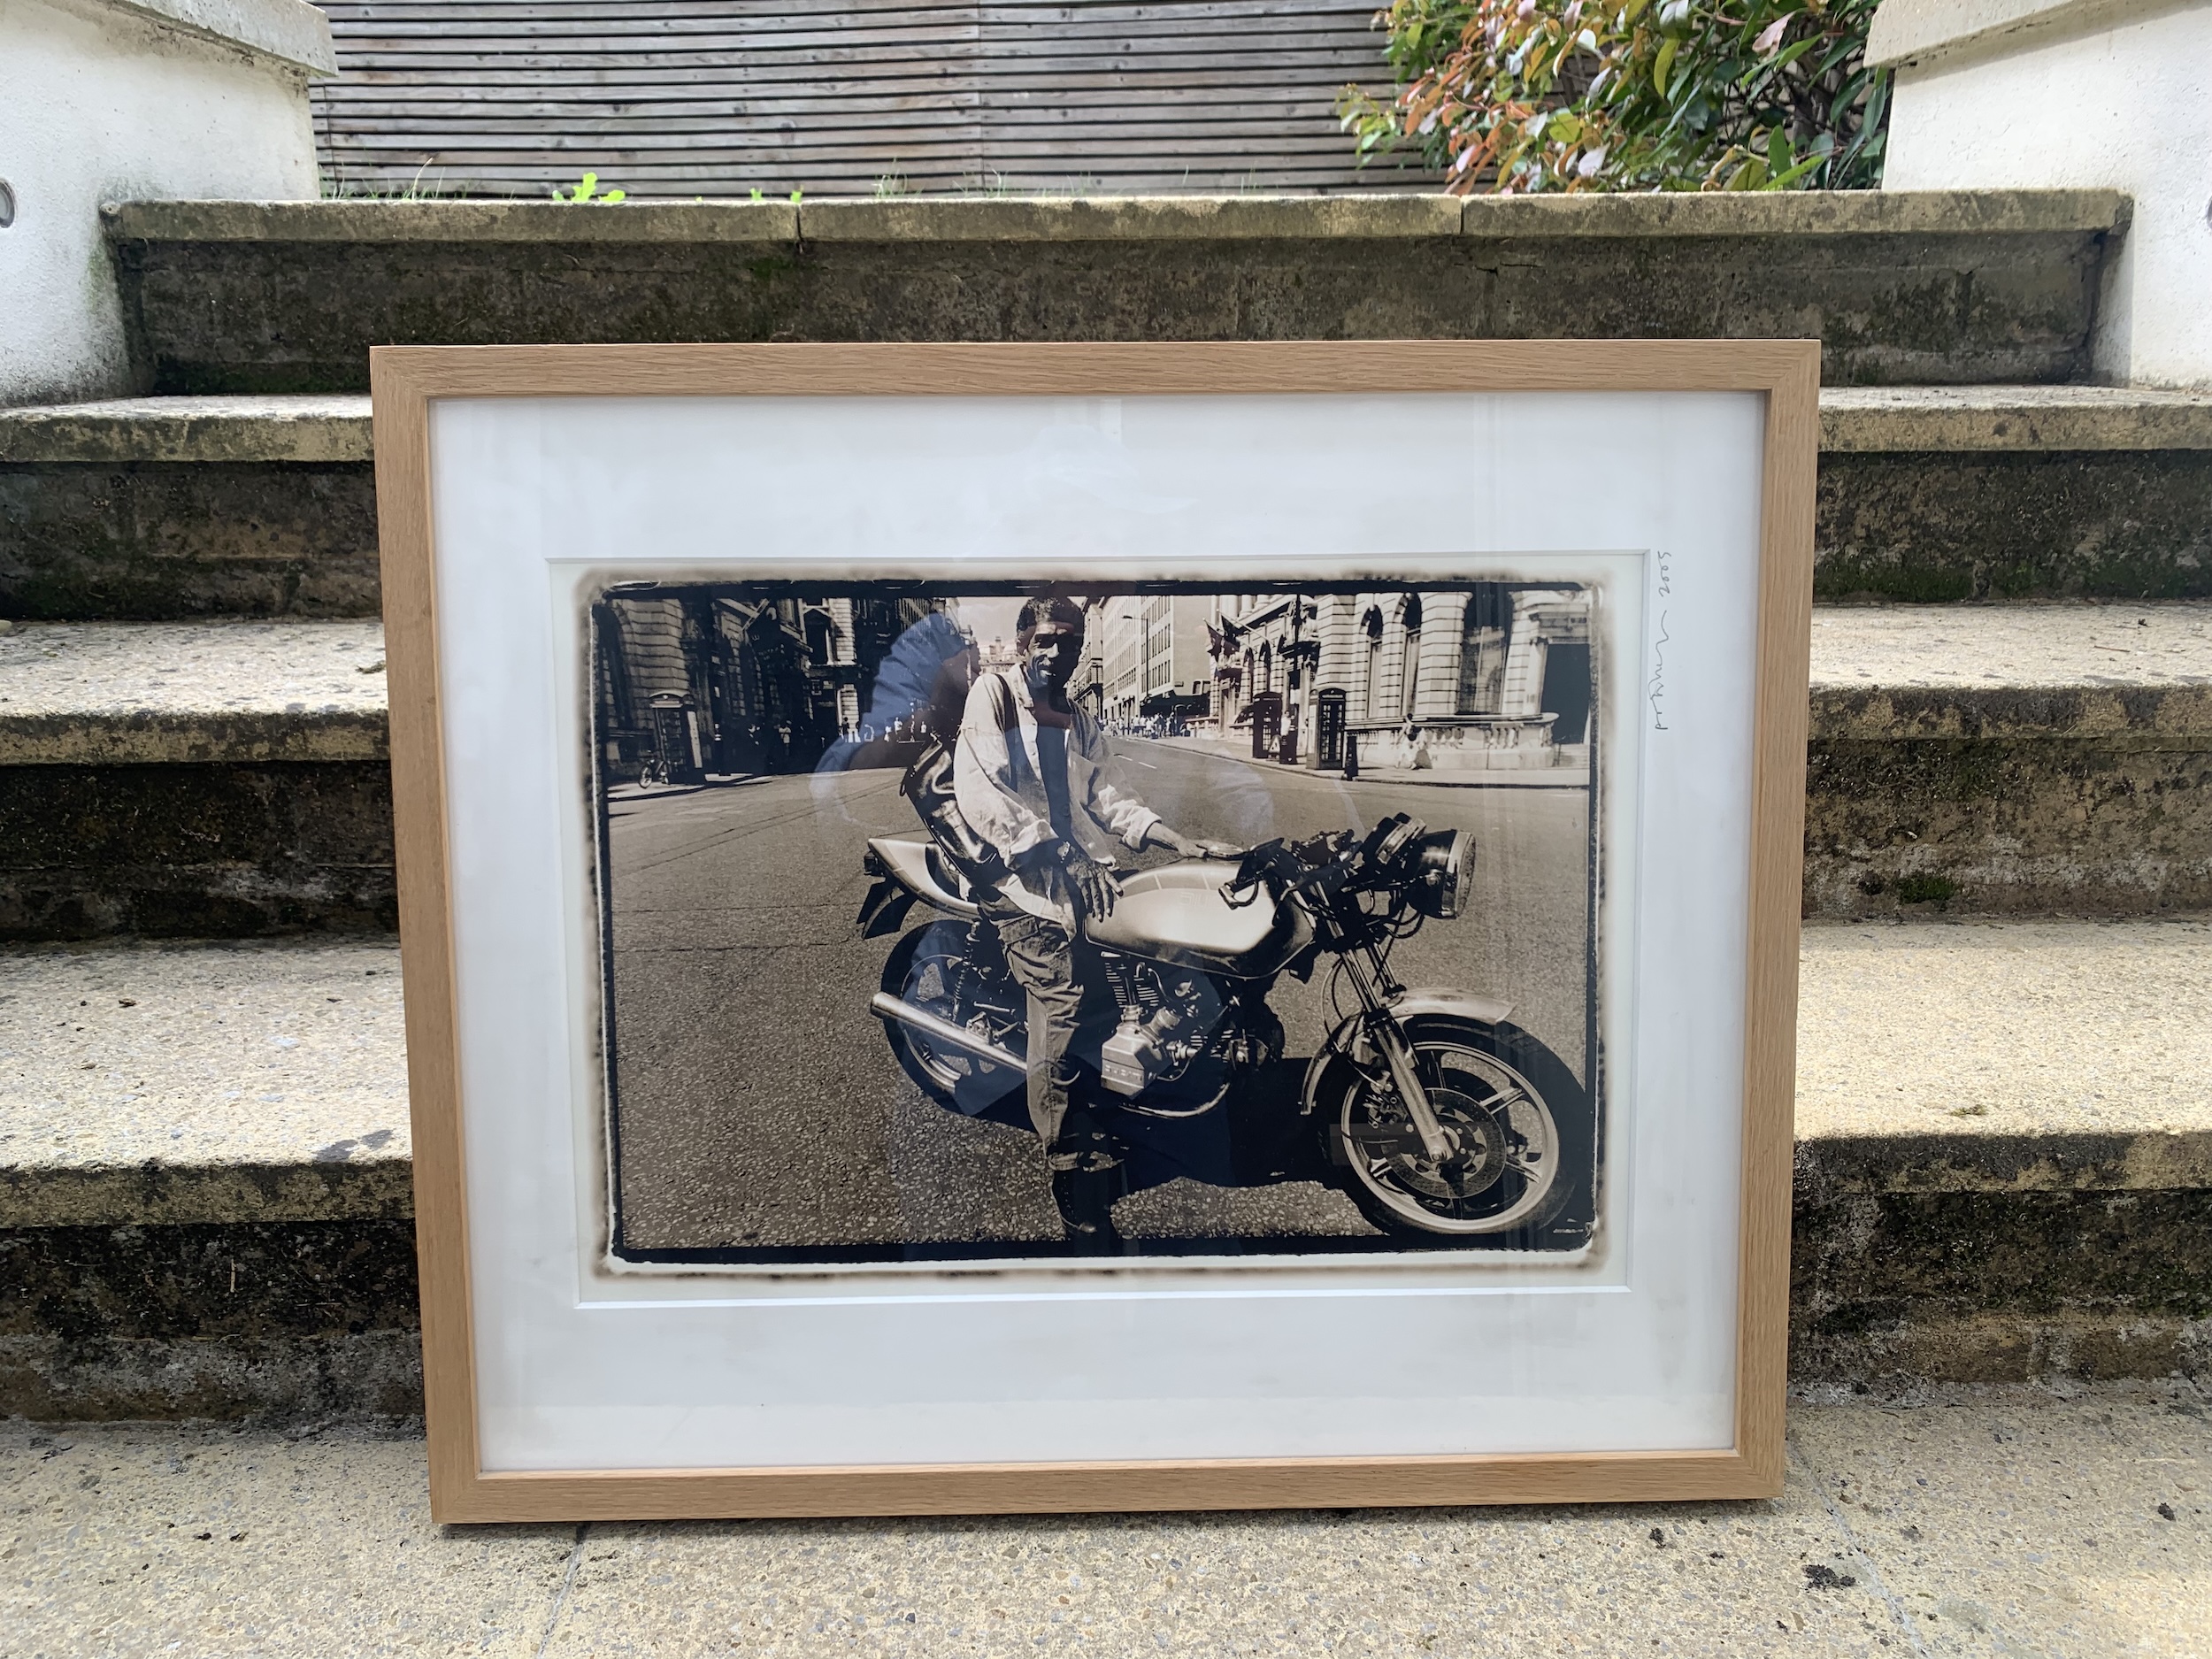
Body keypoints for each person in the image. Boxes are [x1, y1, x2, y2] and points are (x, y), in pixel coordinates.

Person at [952, 595, 1236, 1253]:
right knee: (1068, 1001)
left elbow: (1108, 799)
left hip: (1083, 871)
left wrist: (1178, 840)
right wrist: (1061, 855)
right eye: (1048, 638)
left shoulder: (1076, 718)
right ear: (1024, 641)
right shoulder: (992, 696)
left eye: (1072, 641)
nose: (1060, 651)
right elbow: (984, 793)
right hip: (1021, 880)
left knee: (1160, 953)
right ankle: (1070, 1174)